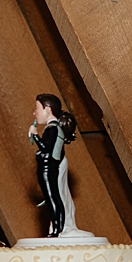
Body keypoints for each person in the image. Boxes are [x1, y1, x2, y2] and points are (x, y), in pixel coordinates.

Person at [31, 93, 80, 237]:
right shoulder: (53, 128)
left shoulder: (52, 128)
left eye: (37, 108)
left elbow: (46, 148)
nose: (35, 113)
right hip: (49, 167)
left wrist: (34, 135)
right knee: (54, 197)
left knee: (53, 198)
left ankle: (58, 229)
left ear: (48, 109)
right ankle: (58, 228)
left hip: (49, 168)